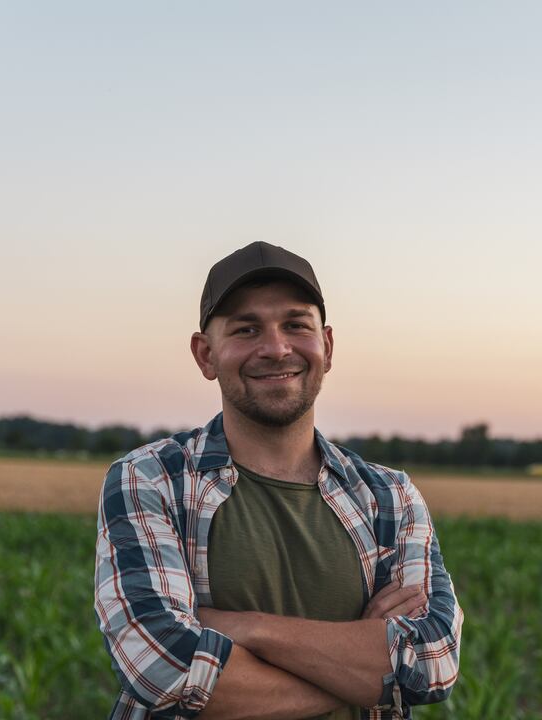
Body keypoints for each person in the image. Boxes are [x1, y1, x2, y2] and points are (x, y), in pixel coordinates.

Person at [94, 241, 464, 720]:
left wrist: (247, 629)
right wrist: (367, 671)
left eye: (295, 325)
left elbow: (433, 664)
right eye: (246, 329)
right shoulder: (151, 480)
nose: (275, 348)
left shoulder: (388, 497)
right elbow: (163, 668)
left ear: (326, 346)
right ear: (205, 355)